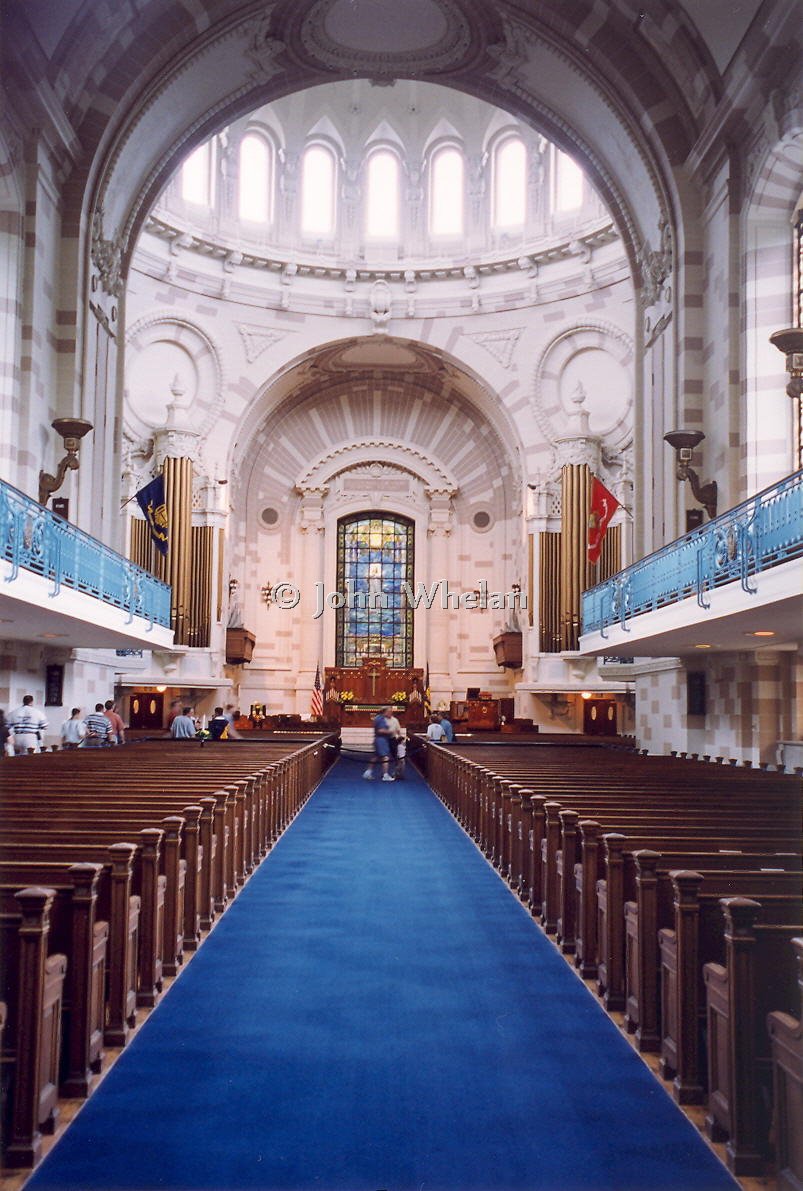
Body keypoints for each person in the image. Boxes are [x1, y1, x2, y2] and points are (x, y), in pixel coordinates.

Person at [363, 705, 394, 781]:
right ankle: (385, 775)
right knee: (385, 757)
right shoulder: (381, 719)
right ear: (385, 712)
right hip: (381, 740)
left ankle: (368, 772)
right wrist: (390, 731)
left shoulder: (378, 718)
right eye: (390, 712)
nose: (391, 713)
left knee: (375, 757)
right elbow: (380, 730)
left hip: (378, 740)